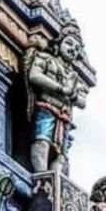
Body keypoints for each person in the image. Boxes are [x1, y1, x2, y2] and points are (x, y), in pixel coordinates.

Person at [25, 22, 88, 173]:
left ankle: (53, 180)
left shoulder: (74, 76)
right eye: (69, 43)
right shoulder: (46, 59)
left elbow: (82, 102)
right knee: (42, 141)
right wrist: (60, 89)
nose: (72, 50)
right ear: (58, 44)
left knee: (61, 155)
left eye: (76, 49)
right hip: (47, 107)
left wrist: (72, 95)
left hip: (64, 116)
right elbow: (34, 75)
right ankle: (41, 175)